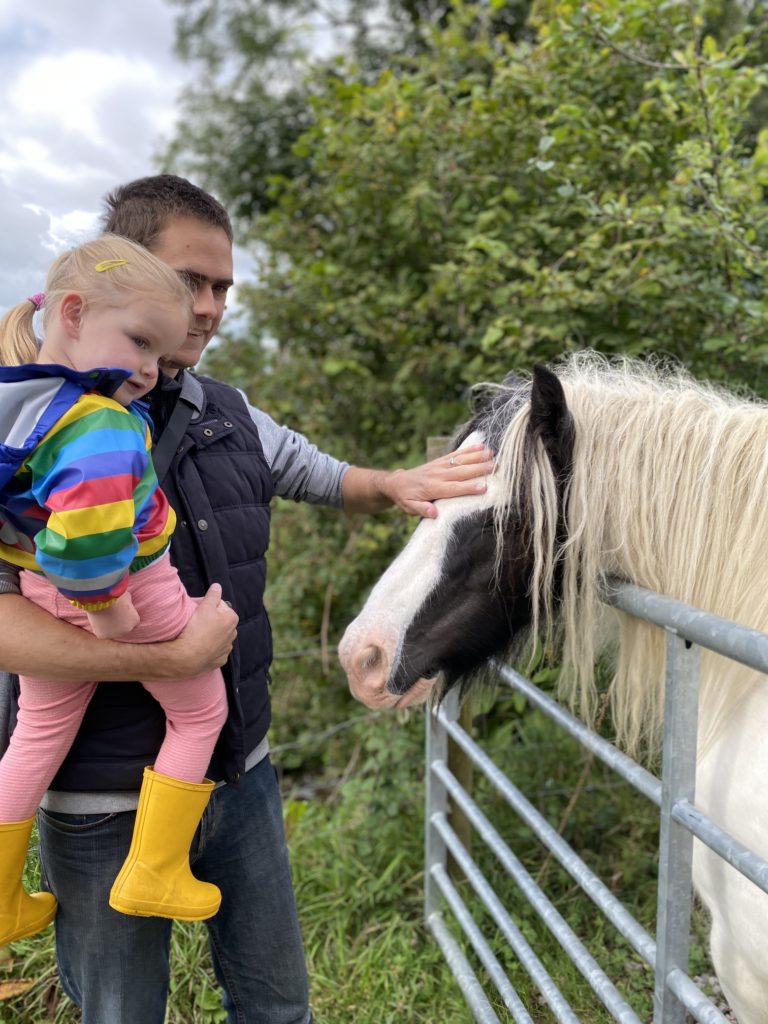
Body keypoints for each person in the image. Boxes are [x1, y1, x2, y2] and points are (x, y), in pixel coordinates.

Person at [0, 174, 493, 1024]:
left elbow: (325, 476)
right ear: (123, 272)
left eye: (223, 286)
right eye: (190, 281)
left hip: (240, 771)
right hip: (98, 797)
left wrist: (402, 482)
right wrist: (172, 656)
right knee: (122, 1014)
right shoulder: (34, 429)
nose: (210, 307)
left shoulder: (227, 410)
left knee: (277, 1009)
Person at [0, 234, 232, 949]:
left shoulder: (25, 401)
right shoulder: (98, 419)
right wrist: (111, 608)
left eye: (159, 357)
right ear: (71, 312)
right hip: (129, 585)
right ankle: (156, 870)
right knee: (201, 713)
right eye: (138, 342)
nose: (147, 369)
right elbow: (94, 540)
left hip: (38, 590)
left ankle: (2, 899)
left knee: (35, 737)